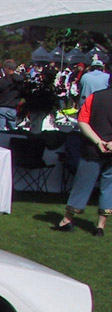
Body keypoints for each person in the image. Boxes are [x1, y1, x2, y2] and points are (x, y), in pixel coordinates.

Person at [52, 84, 112, 236]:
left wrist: (98, 141)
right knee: (108, 188)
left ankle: (67, 220)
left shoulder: (95, 97)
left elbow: (82, 121)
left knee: (82, 185)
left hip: (92, 149)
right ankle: (100, 226)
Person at [0, 60, 23, 131]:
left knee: (0, 130)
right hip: (13, 107)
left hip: (1, 107)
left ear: (7, 68)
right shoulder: (20, 79)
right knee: (13, 130)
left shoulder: (2, 81)